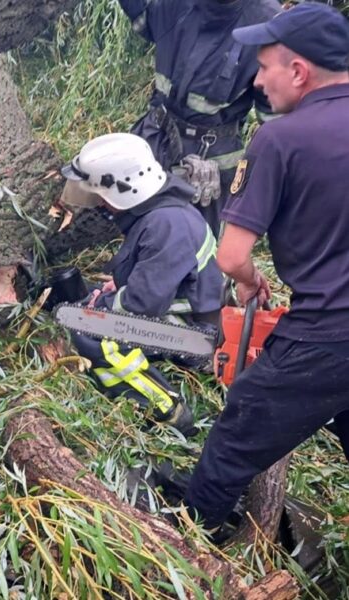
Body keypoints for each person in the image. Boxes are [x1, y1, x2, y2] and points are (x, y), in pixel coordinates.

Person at [184, 2, 349, 531]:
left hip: (327, 334)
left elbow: (232, 255)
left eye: (263, 67)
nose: (257, 81)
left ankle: (188, 540)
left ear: (298, 71)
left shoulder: (280, 139)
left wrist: (251, 281)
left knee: (235, 438)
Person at [59, 133, 224, 437]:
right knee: (88, 305)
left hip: (198, 336)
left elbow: (141, 305)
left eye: (101, 195)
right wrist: (113, 289)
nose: (99, 203)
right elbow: (152, 276)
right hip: (183, 314)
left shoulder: (166, 225)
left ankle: (166, 410)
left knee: (91, 334)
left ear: (123, 190)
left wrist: (100, 309)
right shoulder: (159, 211)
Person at [117, 0, 280, 236]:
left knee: (197, 239)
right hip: (156, 135)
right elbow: (145, 19)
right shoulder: (176, 5)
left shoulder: (268, 25)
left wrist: (260, 188)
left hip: (211, 159)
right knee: (139, 225)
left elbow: (276, 126)